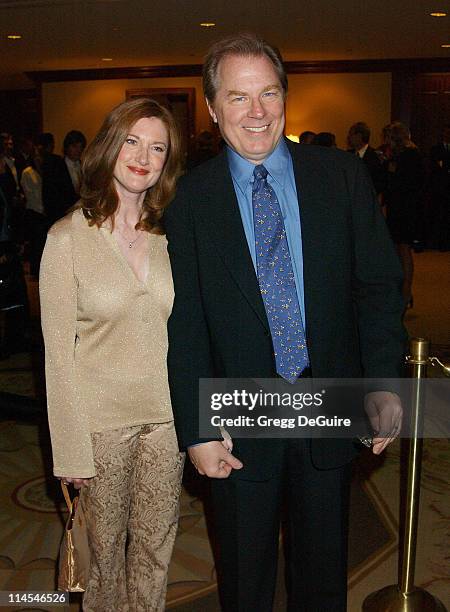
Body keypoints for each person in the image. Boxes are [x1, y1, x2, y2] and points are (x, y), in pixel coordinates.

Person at [164, 33, 406, 612]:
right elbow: (185, 326)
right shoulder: (189, 201)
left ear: (285, 97)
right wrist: (197, 428)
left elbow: (378, 288)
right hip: (238, 422)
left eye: (268, 93)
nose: (257, 112)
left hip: (330, 405)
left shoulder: (340, 177)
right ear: (214, 108)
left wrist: (382, 381)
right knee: (245, 581)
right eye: (238, 97)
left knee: (323, 577)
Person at [40, 98, 185, 612]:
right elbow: (57, 356)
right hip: (100, 426)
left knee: (155, 553)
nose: (143, 156)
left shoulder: (175, 237)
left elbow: (192, 333)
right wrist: (70, 449)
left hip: (167, 421)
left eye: (158, 147)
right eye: (132, 141)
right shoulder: (66, 239)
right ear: (110, 146)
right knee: (103, 563)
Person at [384, 121, 426, 306]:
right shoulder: (403, 155)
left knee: (403, 248)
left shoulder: (409, 155)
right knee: (397, 249)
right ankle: (401, 288)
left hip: (406, 208)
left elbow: (404, 182)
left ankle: (407, 291)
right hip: (399, 207)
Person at [347, 121, 385, 196]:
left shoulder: (375, 156)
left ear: (359, 136)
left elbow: (379, 182)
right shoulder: (347, 155)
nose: (348, 137)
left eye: (351, 134)